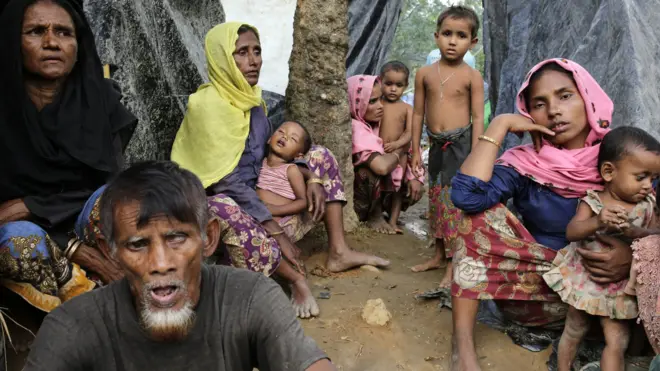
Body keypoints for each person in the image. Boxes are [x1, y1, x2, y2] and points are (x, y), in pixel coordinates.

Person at [23, 161, 336, 371]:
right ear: (111, 252)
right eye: (137, 244)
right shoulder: (71, 328)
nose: (160, 263)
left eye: (177, 238)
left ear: (209, 238)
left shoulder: (252, 299)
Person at [171, 22, 390, 319]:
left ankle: (338, 251)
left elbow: (272, 150)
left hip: (265, 203)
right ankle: (294, 278)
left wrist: (308, 173)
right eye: (242, 52)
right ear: (222, 58)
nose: (253, 61)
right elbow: (227, 183)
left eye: (257, 51)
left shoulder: (254, 104)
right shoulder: (207, 107)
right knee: (222, 206)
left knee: (320, 154)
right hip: (225, 217)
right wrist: (275, 230)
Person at [448, 58, 635, 371]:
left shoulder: (624, 156)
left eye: (565, 96)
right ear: (529, 113)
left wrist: (632, 256)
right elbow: (465, 197)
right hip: (542, 297)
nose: (553, 111)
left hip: (614, 293)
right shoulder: (525, 163)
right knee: (476, 218)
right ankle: (462, 345)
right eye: (539, 103)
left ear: (588, 97)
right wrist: (501, 125)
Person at [0, 0, 136, 312]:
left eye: (63, 32)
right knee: (21, 240)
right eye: (36, 31)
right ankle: (79, 323)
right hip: (21, 231)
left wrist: (30, 205)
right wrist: (73, 249)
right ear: (11, 40)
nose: (51, 42)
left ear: (79, 44)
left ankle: (131, 304)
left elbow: (113, 186)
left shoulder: (102, 101)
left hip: (84, 221)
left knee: (117, 203)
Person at [543, 127, 660, 371]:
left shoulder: (649, 204)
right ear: (608, 172)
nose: (648, 185)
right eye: (641, 177)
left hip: (620, 288)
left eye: (653, 178)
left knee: (617, 341)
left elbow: (654, 236)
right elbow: (572, 232)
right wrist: (598, 221)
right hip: (586, 280)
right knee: (575, 329)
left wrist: (635, 233)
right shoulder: (593, 201)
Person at [409, 6, 484, 288]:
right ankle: (438, 254)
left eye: (461, 35)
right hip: (435, 145)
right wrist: (415, 149)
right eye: (447, 34)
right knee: (437, 200)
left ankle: (454, 265)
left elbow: (478, 118)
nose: (453, 41)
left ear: (472, 42)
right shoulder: (424, 74)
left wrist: (476, 155)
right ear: (436, 35)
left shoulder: (472, 77)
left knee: (454, 204)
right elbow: (417, 113)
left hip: (461, 145)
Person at [349, 75, 426, 234]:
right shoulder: (356, 127)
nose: (381, 106)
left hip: (385, 186)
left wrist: (415, 176)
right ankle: (374, 216)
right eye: (372, 101)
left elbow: (410, 139)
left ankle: (391, 218)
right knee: (371, 170)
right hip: (357, 201)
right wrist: (400, 151)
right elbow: (382, 167)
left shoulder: (374, 123)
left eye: (380, 100)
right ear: (356, 101)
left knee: (412, 176)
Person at [257, 121, 314, 240]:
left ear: (299, 156)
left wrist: (275, 210)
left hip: (283, 222)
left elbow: (303, 201)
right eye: (281, 131)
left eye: (293, 139)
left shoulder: (291, 170)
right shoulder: (259, 163)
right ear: (269, 139)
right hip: (260, 218)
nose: (285, 137)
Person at [379, 61, 414, 233]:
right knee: (378, 186)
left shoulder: (407, 108)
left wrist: (396, 145)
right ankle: (378, 217)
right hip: (379, 153)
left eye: (399, 85)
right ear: (380, 82)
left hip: (400, 155)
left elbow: (409, 133)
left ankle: (393, 221)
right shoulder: (377, 105)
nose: (393, 89)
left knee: (397, 190)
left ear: (406, 86)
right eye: (389, 84)